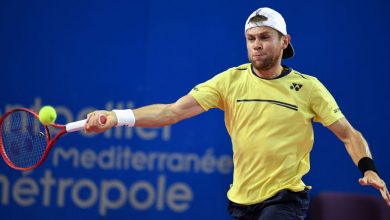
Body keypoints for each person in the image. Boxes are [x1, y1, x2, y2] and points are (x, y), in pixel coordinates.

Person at [85, 7, 390, 220]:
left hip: (286, 197)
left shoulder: (308, 88)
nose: (257, 45)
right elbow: (171, 112)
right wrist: (116, 117)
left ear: (284, 42)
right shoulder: (230, 81)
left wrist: (368, 168)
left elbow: (349, 134)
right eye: (251, 38)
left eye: (265, 38)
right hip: (242, 200)